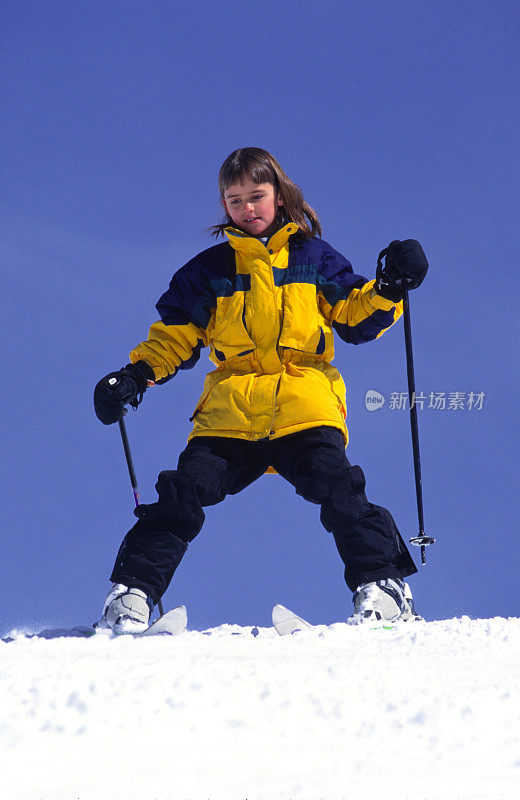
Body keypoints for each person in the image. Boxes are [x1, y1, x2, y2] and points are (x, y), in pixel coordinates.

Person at [93, 147, 429, 633]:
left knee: (339, 488)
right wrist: (133, 376)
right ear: (224, 206)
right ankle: (132, 597)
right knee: (182, 493)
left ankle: (383, 588)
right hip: (230, 412)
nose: (247, 208)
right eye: (235, 200)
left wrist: (391, 285)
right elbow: (175, 337)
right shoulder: (209, 271)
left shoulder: (314, 257)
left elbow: (356, 316)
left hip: (304, 406)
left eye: (256, 196)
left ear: (279, 195)